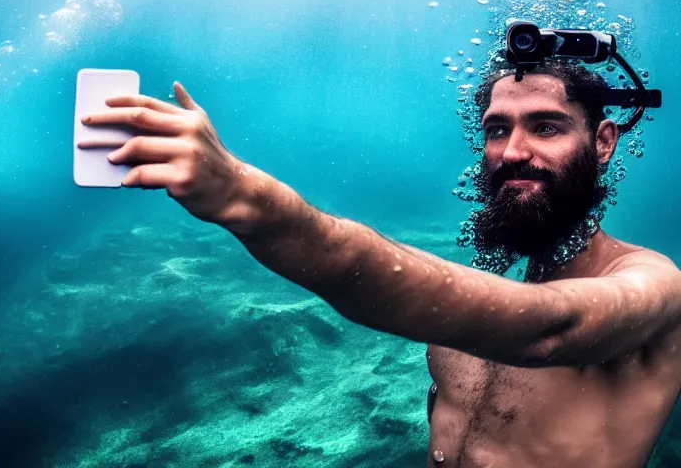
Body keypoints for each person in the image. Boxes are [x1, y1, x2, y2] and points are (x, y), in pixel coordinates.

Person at [78, 59, 681, 468]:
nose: (513, 152)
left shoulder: (653, 287)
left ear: (603, 142)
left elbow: (550, 328)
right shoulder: (468, 327)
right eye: (497, 130)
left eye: (546, 127)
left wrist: (242, 197)